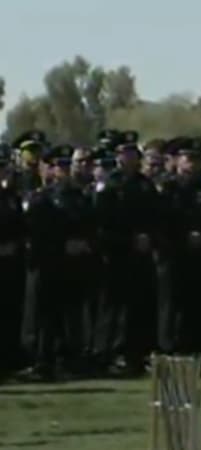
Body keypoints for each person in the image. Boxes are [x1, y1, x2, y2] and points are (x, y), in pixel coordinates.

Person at [24, 144, 96, 379]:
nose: (63, 170)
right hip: (50, 264)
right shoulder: (43, 198)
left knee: (72, 316)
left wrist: (84, 243)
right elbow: (38, 233)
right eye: (60, 166)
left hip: (75, 266)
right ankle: (44, 361)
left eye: (67, 165)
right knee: (47, 317)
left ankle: (70, 359)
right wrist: (62, 245)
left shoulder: (81, 198)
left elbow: (90, 226)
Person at [94, 142, 160, 374]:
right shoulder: (109, 185)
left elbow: (157, 216)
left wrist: (149, 237)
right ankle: (110, 353)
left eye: (133, 154)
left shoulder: (145, 184)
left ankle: (136, 353)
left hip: (141, 254)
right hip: (117, 253)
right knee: (114, 307)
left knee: (139, 305)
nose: (129, 158)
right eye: (125, 154)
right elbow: (102, 222)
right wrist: (128, 240)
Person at [159, 137, 201, 354]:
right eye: (189, 158)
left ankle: (198, 345)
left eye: (198, 159)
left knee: (199, 301)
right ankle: (169, 347)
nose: (193, 164)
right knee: (172, 303)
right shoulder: (168, 188)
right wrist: (184, 236)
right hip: (174, 252)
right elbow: (162, 221)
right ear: (178, 160)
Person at [0, 144, 26, 376]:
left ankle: (9, 361)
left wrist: (15, 245)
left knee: (10, 313)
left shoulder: (11, 196)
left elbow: (20, 228)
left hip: (11, 264)